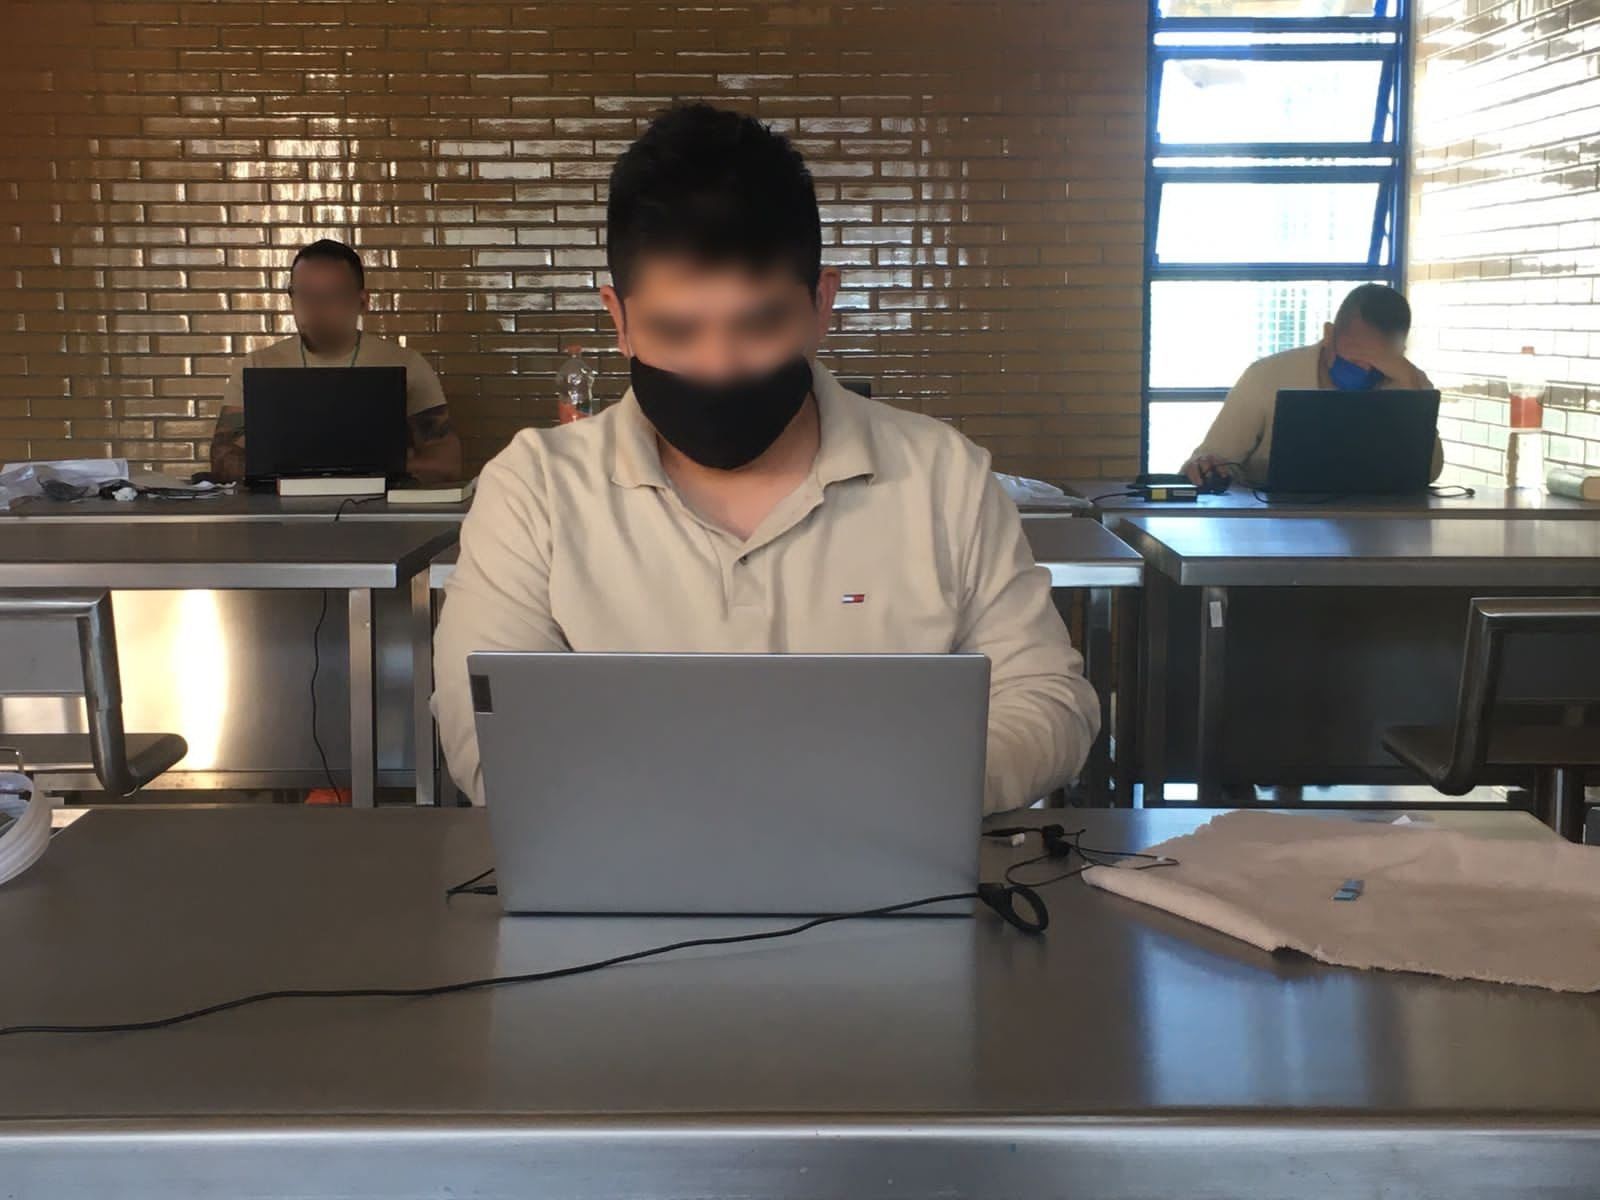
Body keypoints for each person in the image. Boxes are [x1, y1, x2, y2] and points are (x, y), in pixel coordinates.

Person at [433, 102, 1098, 814]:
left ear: (821, 304)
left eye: (758, 324)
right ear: (618, 319)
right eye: (676, 330)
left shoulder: (944, 479)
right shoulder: (535, 491)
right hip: (623, 873)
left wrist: (896, 795)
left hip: (889, 863)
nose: (718, 365)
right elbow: (487, 737)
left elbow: (1047, 699)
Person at [208, 239, 462, 483]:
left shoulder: (407, 364)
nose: (316, 310)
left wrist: (356, 467)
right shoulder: (257, 365)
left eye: (331, 297)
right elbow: (222, 459)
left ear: (362, 302)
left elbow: (447, 464)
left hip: (375, 509)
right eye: (304, 295)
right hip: (280, 510)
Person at [1183, 283, 1444, 487]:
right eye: (1355, 355)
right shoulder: (1267, 376)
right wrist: (1205, 467)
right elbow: (1210, 463)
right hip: (1274, 522)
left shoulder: (1409, 381)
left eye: (1379, 359)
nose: (1365, 368)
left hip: (1377, 526)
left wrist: (1411, 392)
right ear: (1328, 334)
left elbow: (1428, 474)